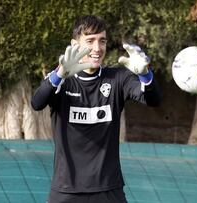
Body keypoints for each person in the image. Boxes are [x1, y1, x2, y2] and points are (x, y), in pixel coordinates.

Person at [31, 15, 161, 203]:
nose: (97, 48)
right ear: (74, 44)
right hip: (67, 190)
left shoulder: (118, 78)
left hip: (108, 189)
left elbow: (154, 100)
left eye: (102, 41)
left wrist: (145, 75)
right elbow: (37, 103)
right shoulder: (62, 79)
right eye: (90, 41)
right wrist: (59, 74)